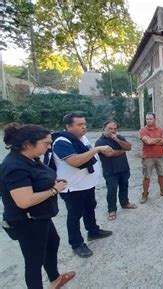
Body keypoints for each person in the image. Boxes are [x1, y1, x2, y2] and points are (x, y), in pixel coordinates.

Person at [0, 123, 75, 289]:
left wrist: (51, 182)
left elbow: (38, 179)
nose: (49, 147)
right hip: (27, 222)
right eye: (46, 143)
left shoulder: (30, 158)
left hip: (41, 217)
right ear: (28, 144)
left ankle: (55, 280)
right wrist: (54, 189)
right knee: (34, 262)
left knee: (52, 243)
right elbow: (24, 201)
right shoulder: (15, 167)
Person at [52, 112, 113, 258]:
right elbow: (75, 161)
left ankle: (93, 231)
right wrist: (97, 149)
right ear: (68, 126)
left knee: (89, 208)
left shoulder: (81, 138)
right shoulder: (62, 142)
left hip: (86, 184)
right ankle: (77, 243)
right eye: (80, 125)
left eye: (84, 124)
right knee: (74, 216)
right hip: (73, 187)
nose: (84, 127)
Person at [95, 120, 136, 221]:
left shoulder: (119, 137)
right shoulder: (100, 142)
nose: (112, 131)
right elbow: (110, 154)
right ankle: (112, 210)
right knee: (112, 191)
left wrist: (117, 140)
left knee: (124, 187)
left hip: (124, 169)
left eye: (114, 129)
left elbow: (129, 147)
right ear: (104, 128)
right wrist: (122, 150)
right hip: (110, 171)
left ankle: (125, 203)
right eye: (110, 128)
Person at [139, 112, 163, 204]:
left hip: (160, 156)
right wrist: (159, 139)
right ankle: (145, 194)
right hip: (148, 157)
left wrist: (152, 141)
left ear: (154, 119)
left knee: (161, 174)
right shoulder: (143, 130)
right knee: (147, 177)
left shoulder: (160, 130)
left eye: (150, 119)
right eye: (147, 119)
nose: (148, 121)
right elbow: (147, 142)